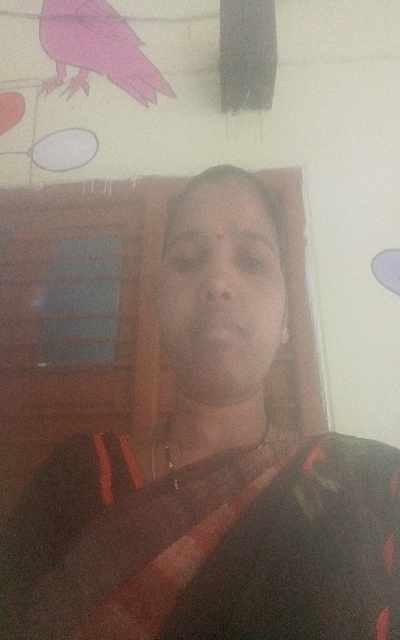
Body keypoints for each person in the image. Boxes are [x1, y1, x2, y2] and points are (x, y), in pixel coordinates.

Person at [1, 165, 399, 639]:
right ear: (157, 305)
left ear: (287, 321)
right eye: (188, 260)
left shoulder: (370, 486)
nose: (217, 282)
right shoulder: (74, 477)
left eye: (251, 261)